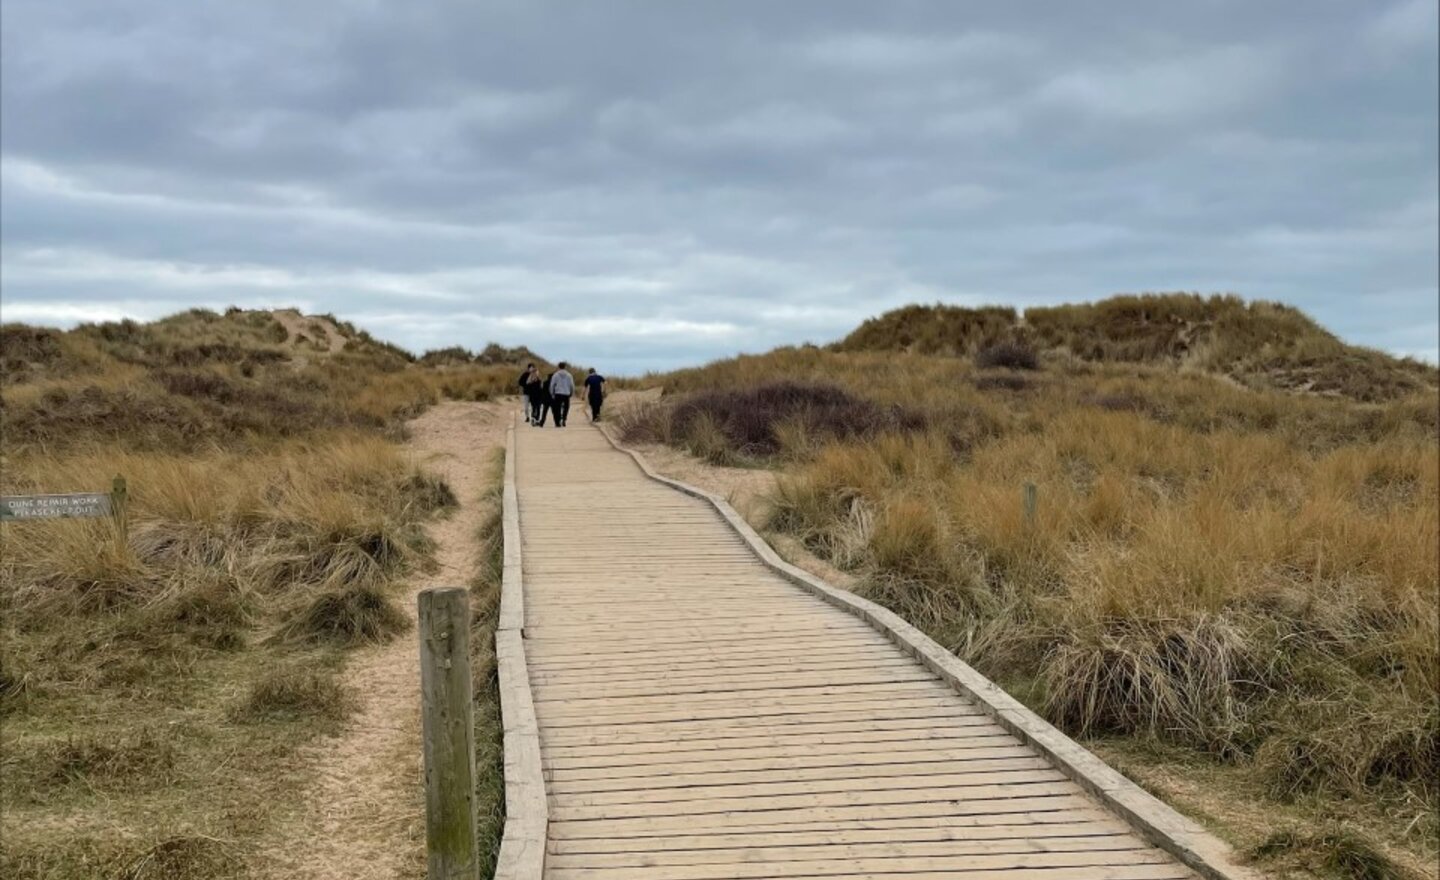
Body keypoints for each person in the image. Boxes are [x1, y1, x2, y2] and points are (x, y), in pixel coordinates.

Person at [548, 361, 575, 427]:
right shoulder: (569, 375)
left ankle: (558, 422)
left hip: (558, 393)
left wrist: (552, 393)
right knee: (566, 407)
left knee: (557, 408)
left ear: (558, 367)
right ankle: (564, 419)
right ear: (565, 367)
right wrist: (571, 393)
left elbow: (552, 385)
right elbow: (572, 385)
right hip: (566, 393)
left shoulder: (555, 375)